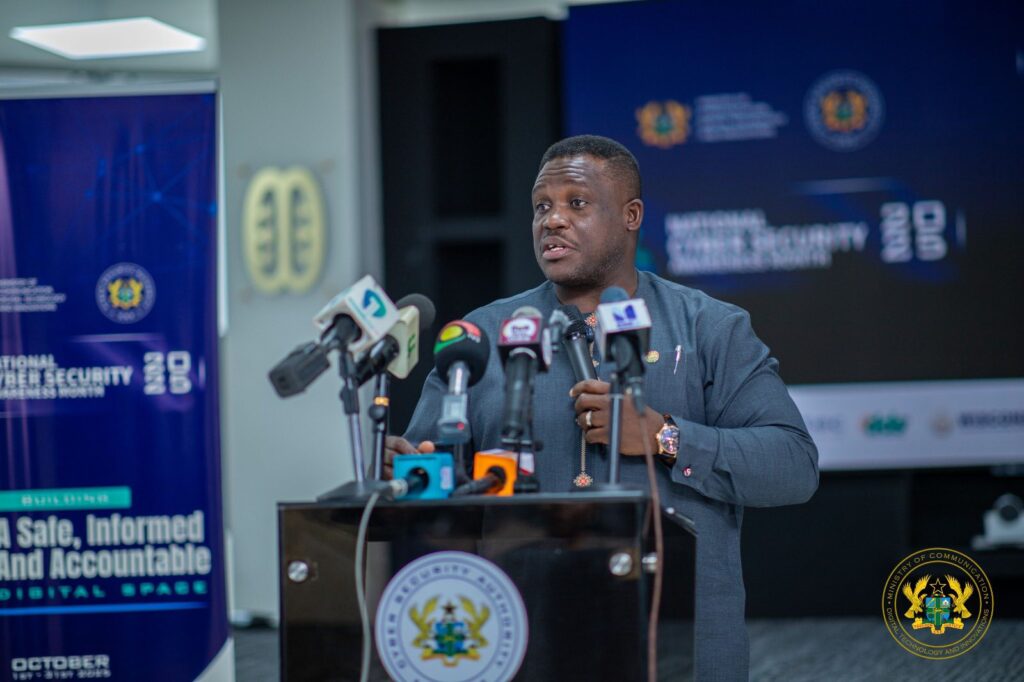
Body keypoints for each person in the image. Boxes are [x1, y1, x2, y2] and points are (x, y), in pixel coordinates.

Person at [386, 134, 819, 680]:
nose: (553, 221)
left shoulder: (710, 327)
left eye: (577, 203)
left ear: (631, 215)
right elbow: (431, 471)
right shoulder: (484, 333)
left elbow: (793, 466)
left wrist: (666, 436)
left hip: (674, 645)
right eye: (542, 207)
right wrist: (406, 474)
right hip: (522, 638)